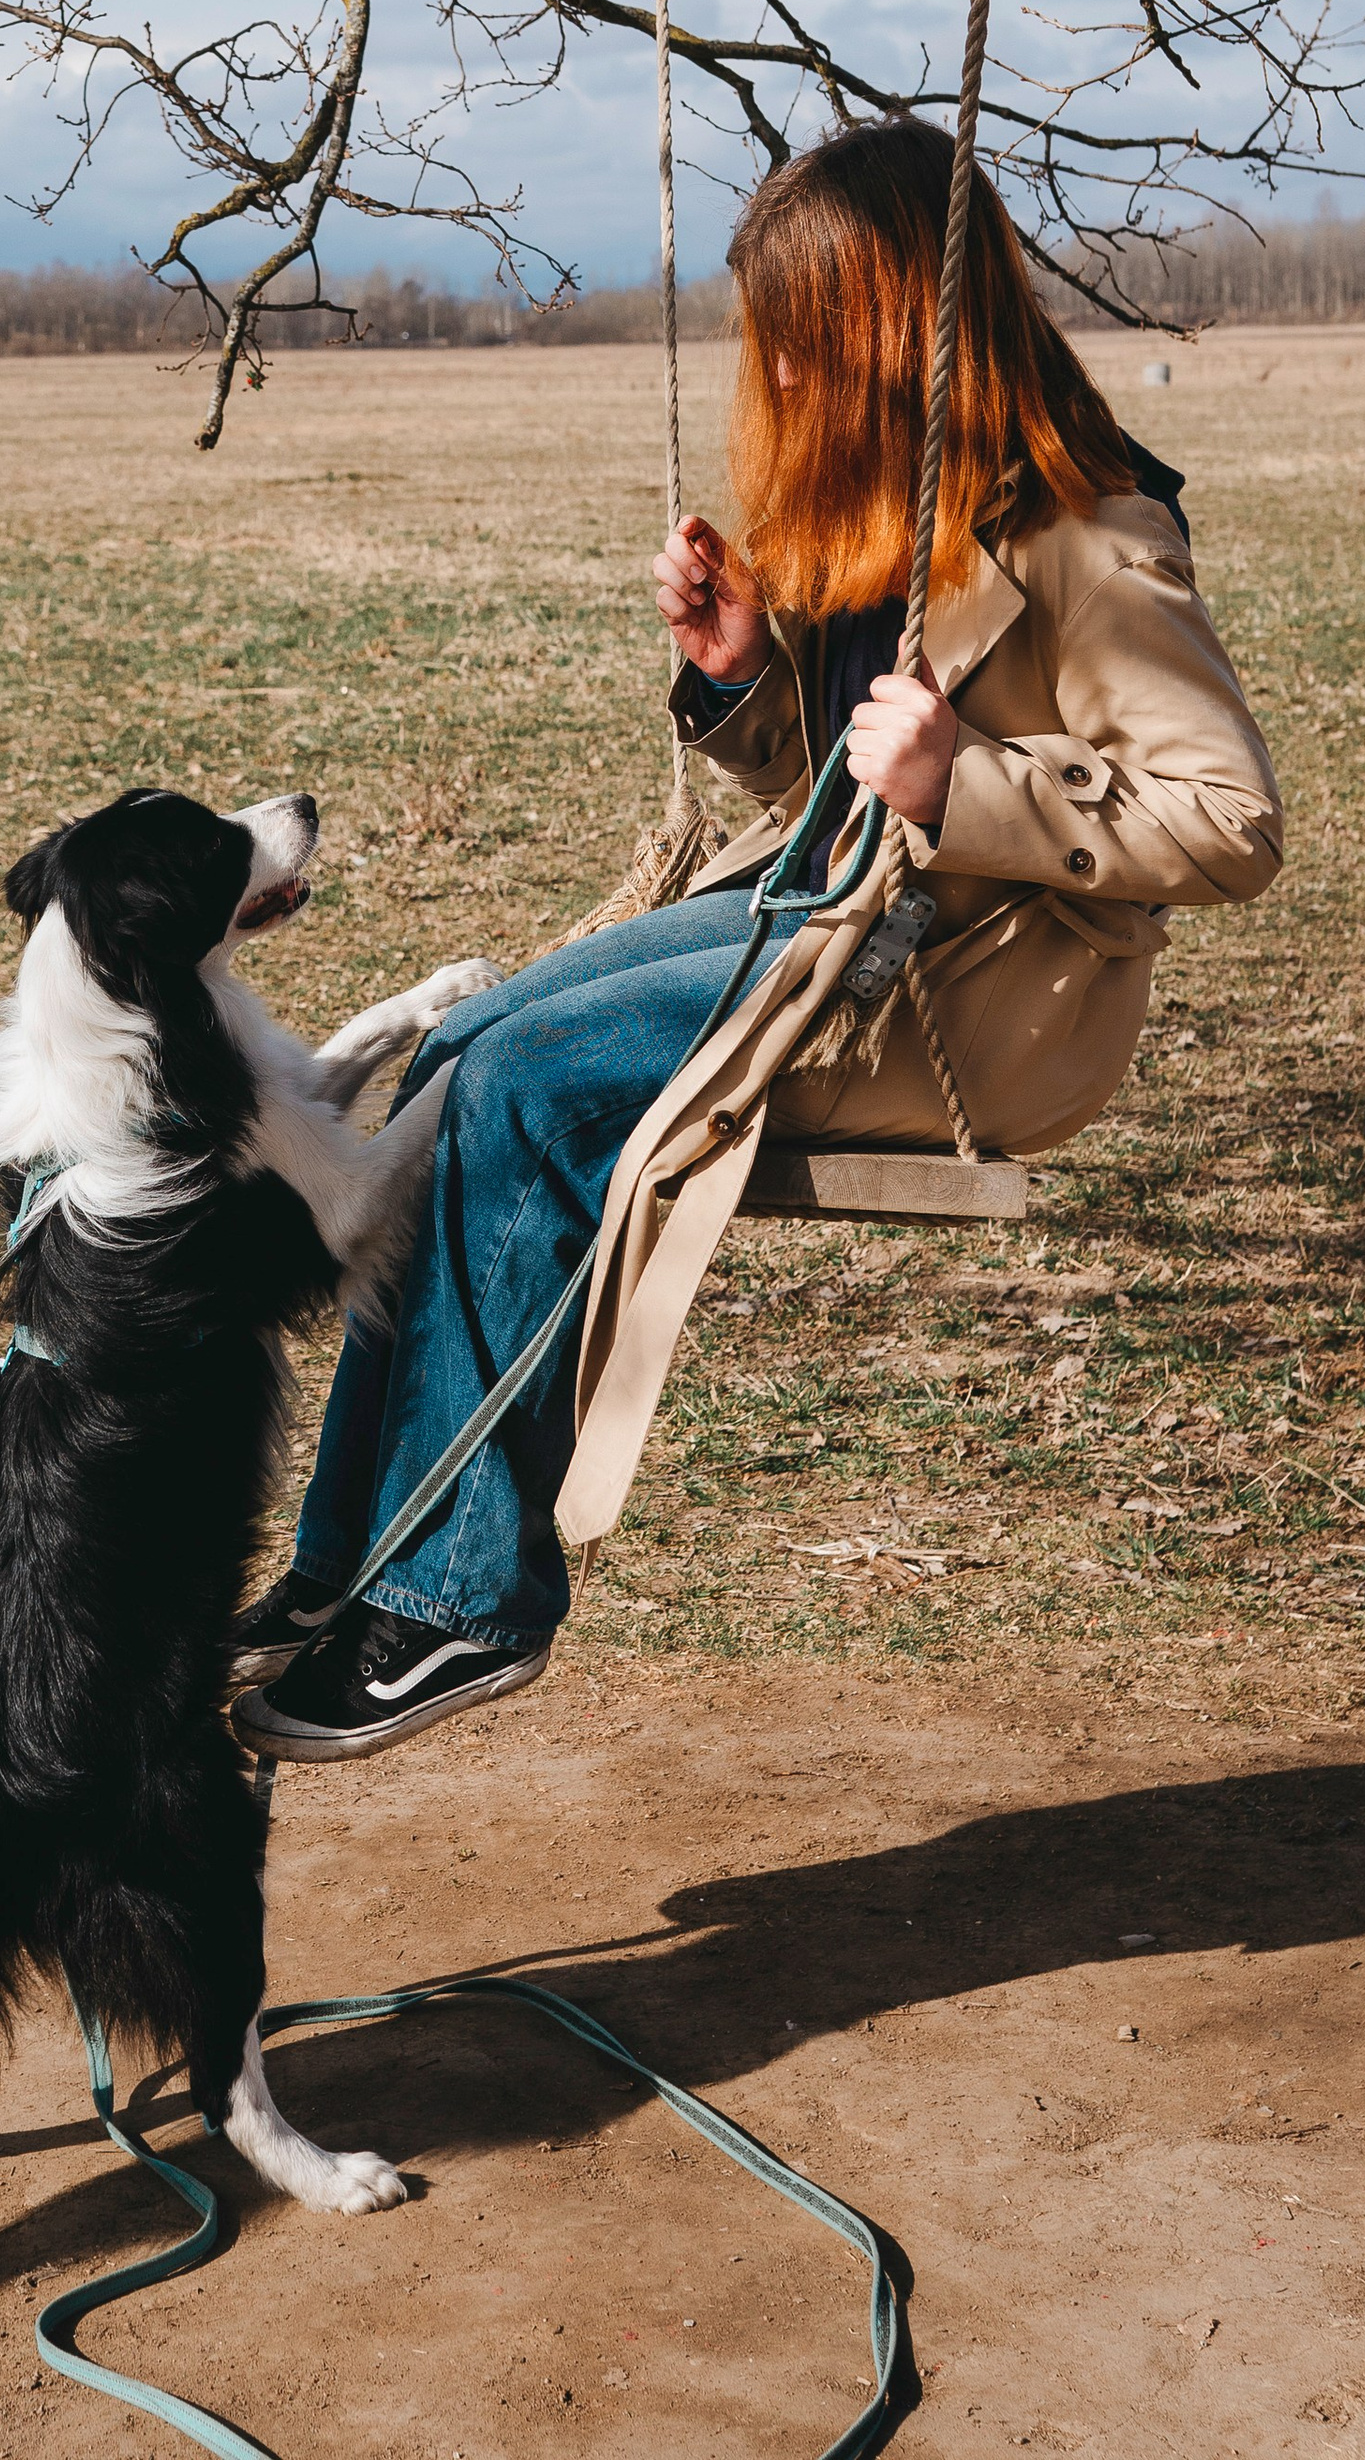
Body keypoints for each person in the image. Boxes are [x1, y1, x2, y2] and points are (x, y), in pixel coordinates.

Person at [231, 118, 1281, 1763]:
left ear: (887, 330)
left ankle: (458, 1604)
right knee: (459, 1055)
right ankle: (345, 1565)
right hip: (818, 921)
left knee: (526, 1097)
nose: (776, 377)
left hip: (950, 994)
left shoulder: (1095, 527)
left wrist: (974, 785)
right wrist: (739, 676)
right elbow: (835, 768)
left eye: (799, 340)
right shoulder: (898, 500)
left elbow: (1229, 818)